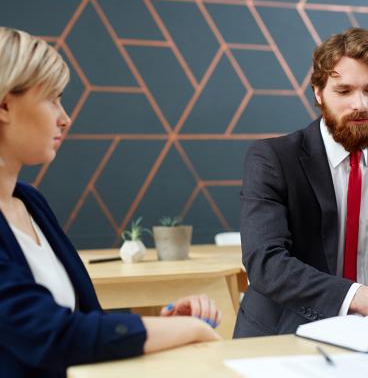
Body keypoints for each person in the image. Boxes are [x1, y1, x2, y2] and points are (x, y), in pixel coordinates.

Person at [0, 27, 221, 378]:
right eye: (52, 98)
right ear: (5, 104)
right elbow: (48, 336)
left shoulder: (30, 203)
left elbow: (82, 321)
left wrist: (161, 327)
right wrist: (189, 330)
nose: (64, 117)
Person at [234, 27, 368, 338]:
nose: (360, 104)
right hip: (283, 335)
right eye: (344, 91)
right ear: (318, 93)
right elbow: (266, 264)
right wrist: (362, 298)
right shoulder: (272, 158)